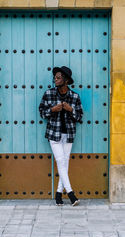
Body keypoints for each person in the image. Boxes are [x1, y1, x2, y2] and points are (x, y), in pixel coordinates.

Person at [39, 66, 83, 206]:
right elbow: (42, 112)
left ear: (66, 80)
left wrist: (71, 110)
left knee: (64, 163)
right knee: (60, 161)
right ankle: (71, 194)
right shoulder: (49, 94)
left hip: (68, 134)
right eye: (55, 77)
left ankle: (58, 194)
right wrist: (52, 109)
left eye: (58, 78)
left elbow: (80, 116)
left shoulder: (74, 96)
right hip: (54, 134)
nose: (55, 80)